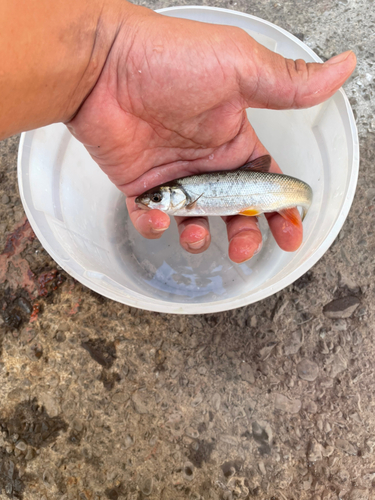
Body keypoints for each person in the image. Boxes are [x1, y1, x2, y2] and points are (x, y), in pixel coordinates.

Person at [0, 0, 356, 263]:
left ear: (171, 196)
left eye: (156, 199)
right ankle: (295, 199)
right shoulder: (186, 194)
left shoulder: (187, 193)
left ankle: (298, 200)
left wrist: (104, 56)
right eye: (155, 199)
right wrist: (103, 58)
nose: (151, 202)